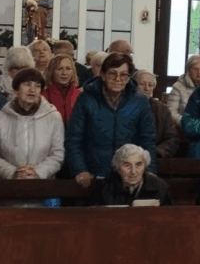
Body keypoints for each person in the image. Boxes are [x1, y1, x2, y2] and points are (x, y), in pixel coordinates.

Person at [66, 52, 157, 189]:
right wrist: (80, 169)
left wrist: (150, 171)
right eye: (112, 73)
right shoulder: (86, 98)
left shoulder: (140, 101)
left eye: (123, 74)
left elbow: (147, 140)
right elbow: (73, 139)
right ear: (103, 75)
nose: (118, 79)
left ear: (128, 78)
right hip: (94, 175)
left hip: (130, 175)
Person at [0, 68, 64, 182]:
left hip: (44, 185)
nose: (32, 90)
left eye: (37, 86)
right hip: (9, 185)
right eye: (27, 84)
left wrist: (37, 172)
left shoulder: (54, 117)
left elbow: (58, 153)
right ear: (16, 89)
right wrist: (13, 172)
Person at [97, 144, 171, 206]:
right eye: (127, 165)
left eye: (138, 165)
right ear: (118, 168)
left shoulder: (160, 187)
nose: (133, 172)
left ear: (145, 167)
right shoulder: (104, 189)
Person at [134, 69, 179, 159]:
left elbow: (172, 138)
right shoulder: (124, 107)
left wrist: (156, 152)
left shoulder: (162, 109)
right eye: (142, 84)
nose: (146, 88)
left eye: (150, 85)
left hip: (155, 156)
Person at [166, 54, 200, 124]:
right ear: (188, 70)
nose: (199, 72)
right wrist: (186, 123)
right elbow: (171, 112)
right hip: (185, 125)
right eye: (195, 69)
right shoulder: (178, 87)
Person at [42, 54, 81, 124]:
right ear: (52, 71)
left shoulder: (80, 95)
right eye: (59, 69)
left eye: (68, 69)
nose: (64, 73)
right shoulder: (43, 97)